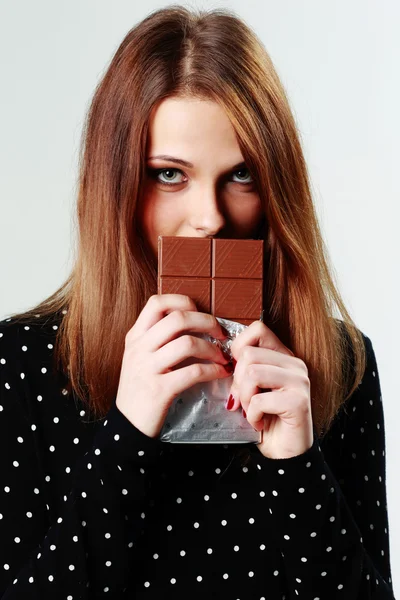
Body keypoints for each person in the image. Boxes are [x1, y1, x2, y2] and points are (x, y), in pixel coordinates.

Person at [0, 5, 395, 599]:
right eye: (169, 175)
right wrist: (127, 434)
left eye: (241, 175)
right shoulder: (20, 365)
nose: (209, 218)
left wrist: (298, 466)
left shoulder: (339, 362)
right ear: (117, 187)